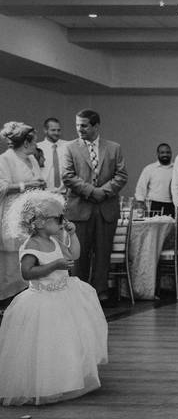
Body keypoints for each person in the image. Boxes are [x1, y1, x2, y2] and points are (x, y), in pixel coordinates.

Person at [0, 190, 107, 406]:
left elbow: (73, 255)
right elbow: (27, 273)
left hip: (65, 297)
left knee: (66, 340)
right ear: (38, 222)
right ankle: (46, 382)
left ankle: (66, 377)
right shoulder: (30, 246)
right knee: (45, 343)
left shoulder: (56, 241)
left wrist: (73, 235)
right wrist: (53, 265)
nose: (63, 221)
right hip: (42, 300)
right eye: (58, 218)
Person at [61, 110, 128, 305]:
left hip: (106, 208)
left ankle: (100, 292)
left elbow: (121, 175)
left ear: (96, 126)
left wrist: (103, 192)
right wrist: (92, 191)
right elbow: (68, 176)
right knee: (78, 254)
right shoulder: (70, 148)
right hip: (80, 208)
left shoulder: (114, 148)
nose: (79, 129)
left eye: (84, 125)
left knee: (103, 252)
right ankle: (78, 292)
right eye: (77, 125)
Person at [0, 122, 46, 301]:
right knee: (12, 263)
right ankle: (8, 300)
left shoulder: (32, 159)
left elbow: (36, 179)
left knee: (30, 255)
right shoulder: (5, 159)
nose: (36, 145)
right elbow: (1, 186)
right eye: (34, 142)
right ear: (25, 143)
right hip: (12, 215)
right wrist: (25, 185)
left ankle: (27, 300)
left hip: (31, 215)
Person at [134, 143, 175, 216]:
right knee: (153, 227)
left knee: (171, 227)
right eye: (162, 152)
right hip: (153, 204)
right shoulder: (149, 169)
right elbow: (141, 187)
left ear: (171, 154)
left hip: (172, 205)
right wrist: (140, 202)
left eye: (168, 152)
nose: (165, 154)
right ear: (157, 154)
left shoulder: (176, 169)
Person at [34, 118, 64, 194]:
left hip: (65, 193)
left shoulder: (68, 146)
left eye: (58, 130)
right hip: (44, 193)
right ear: (45, 130)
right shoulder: (37, 148)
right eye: (53, 130)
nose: (56, 133)